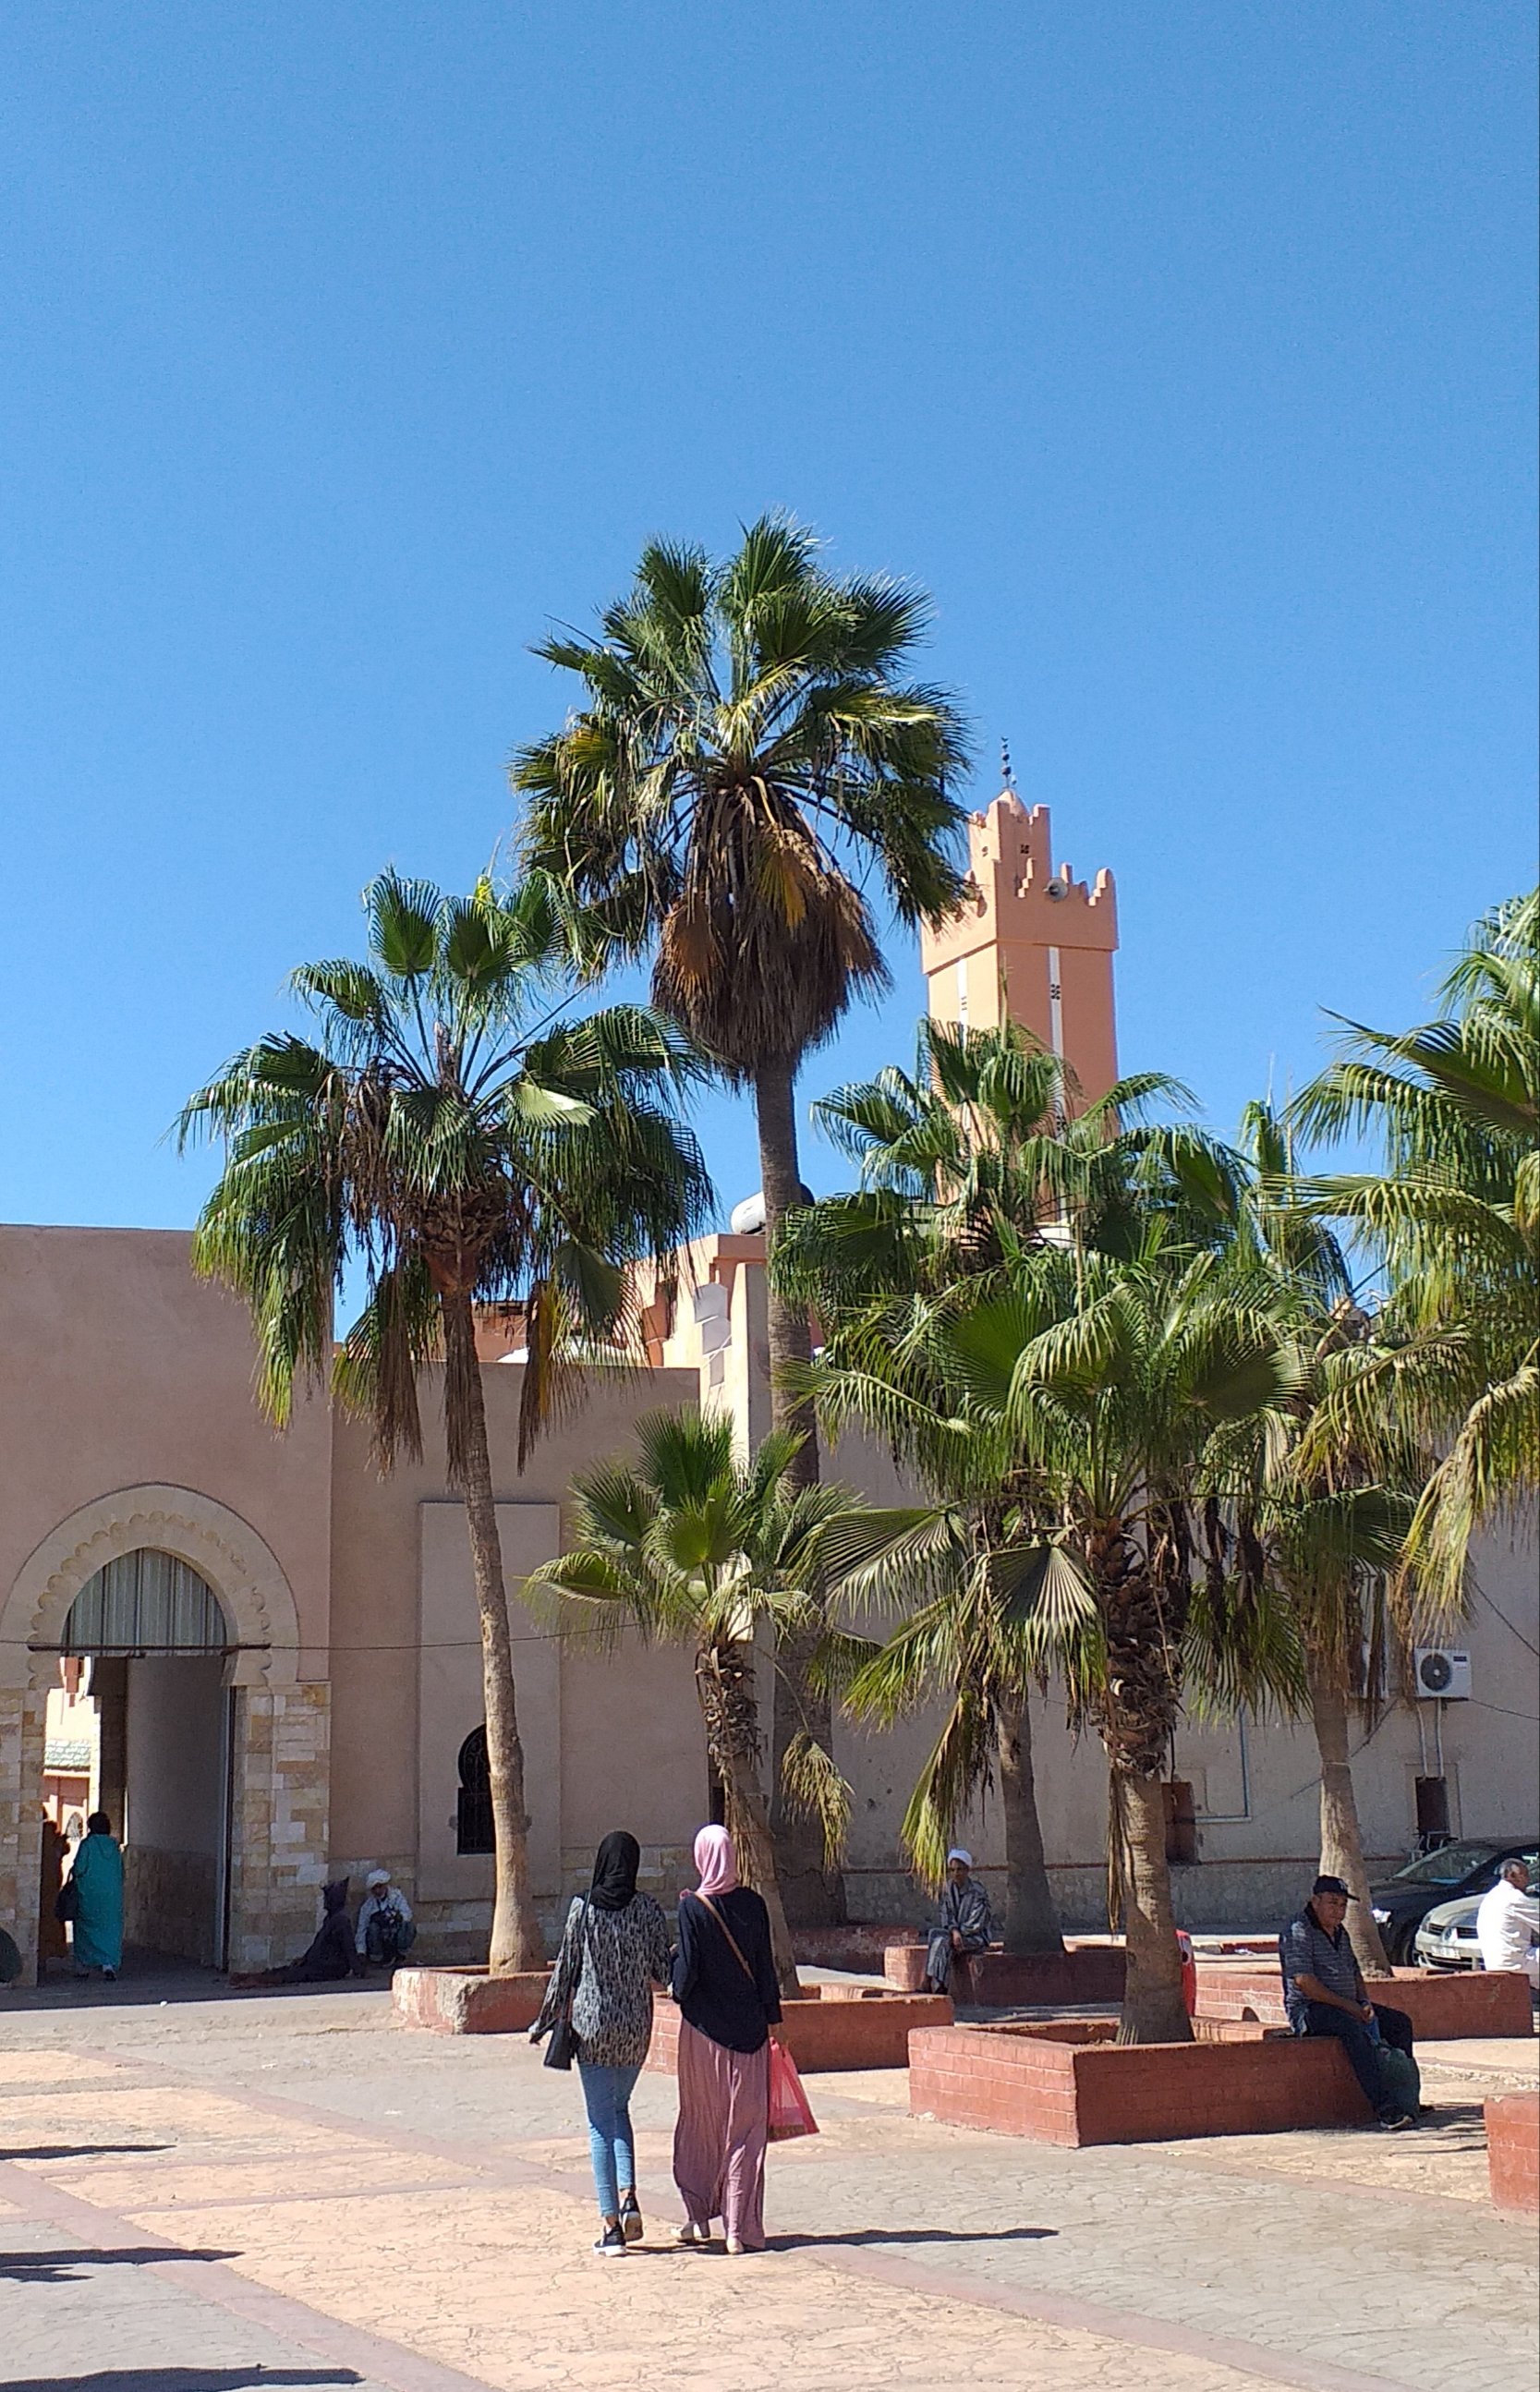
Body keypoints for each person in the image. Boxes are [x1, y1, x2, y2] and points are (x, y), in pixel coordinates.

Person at [530, 1830, 673, 2258]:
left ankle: (611, 2227)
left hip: (593, 2028)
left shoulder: (584, 1908)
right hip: (635, 2029)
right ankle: (630, 2198)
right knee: (619, 2110)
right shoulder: (648, 1909)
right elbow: (663, 1970)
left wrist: (543, 2020)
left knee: (598, 2124)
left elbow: (566, 1969)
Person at [671, 1824, 782, 2256]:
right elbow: (766, 1969)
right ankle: (739, 2228)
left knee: (702, 2125)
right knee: (747, 2133)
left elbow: (685, 1979)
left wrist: (673, 1974)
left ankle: (698, 2216)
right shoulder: (754, 1904)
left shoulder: (693, 1908)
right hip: (751, 2037)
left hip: (704, 2039)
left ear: (702, 1857)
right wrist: (774, 2021)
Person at [1279, 1874, 1420, 2130]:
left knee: (1399, 2023)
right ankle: (1384, 2107)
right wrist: (1350, 2007)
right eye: (1332, 1903)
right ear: (1315, 1901)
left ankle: (1406, 2097)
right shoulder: (1299, 1929)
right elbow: (1304, 1982)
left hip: (1348, 2005)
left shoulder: (1340, 1932)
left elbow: (1354, 1971)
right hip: (1309, 2010)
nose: (1338, 1910)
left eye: (1343, 1905)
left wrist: (1363, 2002)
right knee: (1351, 2029)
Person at [921, 1848, 995, 1995]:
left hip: (976, 1937)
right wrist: (954, 1931)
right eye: (953, 1870)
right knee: (935, 1934)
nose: (956, 1873)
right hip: (955, 1935)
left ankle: (935, 1982)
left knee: (943, 1941)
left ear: (967, 1870)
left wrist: (959, 1934)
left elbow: (977, 1922)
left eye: (960, 1869)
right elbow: (946, 1914)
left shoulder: (978, 1892)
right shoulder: (949, 1889)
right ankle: (932, 1980)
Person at [67, 1810, 124, 1982]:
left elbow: (79, 1868)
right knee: (110, 1929)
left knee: (85, 1929)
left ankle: (83, 1965)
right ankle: (108, 1964)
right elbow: (121, 1871)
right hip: (112, 1897)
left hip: (89, 1894)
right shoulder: (114, 1846)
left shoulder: (88, 1845)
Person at [1475, 1858, 1539, 1992]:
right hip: (1515, 1961)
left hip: (1493, 1961)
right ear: (1512, 1875)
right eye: (1524, 1875)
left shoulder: (1492, 1895)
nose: (1528, 1880)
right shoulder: (1515, 1898)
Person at [356, 1868, 417, 1966]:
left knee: (408, 1926)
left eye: (379, 1887)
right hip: (380, 1939)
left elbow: (407, 1914)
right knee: (373, 1928)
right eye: (374, 1888)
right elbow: (361, 1929)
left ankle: (401, 1955)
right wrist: (361, 1952)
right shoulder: (368, 1906)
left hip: (395, 1935)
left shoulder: (397, 1897)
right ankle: (377, 1958)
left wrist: (398, 1917)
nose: (377, 1891)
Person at [39, 1813, 69, 1965]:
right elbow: (64, 1850)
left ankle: (42, 1955)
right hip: (53, 1883)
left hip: (42, 1882)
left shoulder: (42, 1835)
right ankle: (54, 1950)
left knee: (43, 1920)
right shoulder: (53, 1836)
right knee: (53, 1916)